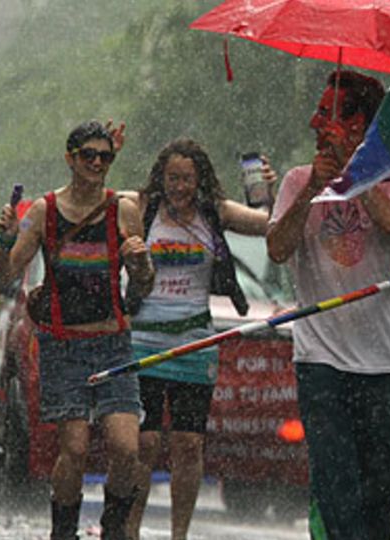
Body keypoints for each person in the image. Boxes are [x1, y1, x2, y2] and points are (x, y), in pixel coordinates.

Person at [266, 70, 390, 540]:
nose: (320, 126)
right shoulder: (296, 181)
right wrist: (313, 186)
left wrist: (355, 174)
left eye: (335, 115)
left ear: (362, 124)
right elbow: (277, 248)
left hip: (387, 363)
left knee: (380, 497)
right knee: (336, 490)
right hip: (321, 360)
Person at [0, 120, 155, 540]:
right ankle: (63, 531)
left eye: (105, 157)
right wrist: (6, 240)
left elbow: (144, 285)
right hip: (63, 345)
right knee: (75, 450)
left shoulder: (124, 209)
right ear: (70, 158)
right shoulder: (43, 211)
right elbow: (4, 276)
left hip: (114, 342)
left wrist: (140, 263)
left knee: (126, 448)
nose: (97, 163)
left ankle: (113, 528)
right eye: (88, 156)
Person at [119, 138, 269, 540]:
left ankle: (179, 534)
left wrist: (264, 193)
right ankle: (129, 530)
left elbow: (268, 224)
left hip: (195, 345)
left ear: (199, 178)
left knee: (188, 443)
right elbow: (94, 204)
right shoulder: (141, 206)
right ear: (160, 177)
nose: (179, 187)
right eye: (172, 178)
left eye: (186, 178)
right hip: (144, 344)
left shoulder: (214, 213)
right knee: (145, 443)